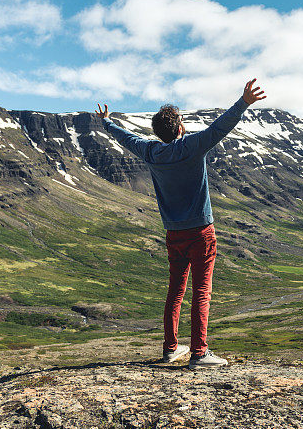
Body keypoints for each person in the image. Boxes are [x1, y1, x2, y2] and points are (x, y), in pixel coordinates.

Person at [95, 79, 266, 369]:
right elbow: (219, 128)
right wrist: (243, 102)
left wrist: (107, 123)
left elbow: (126, 138)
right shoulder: (192, 146)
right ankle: (199, 353)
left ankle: (170, 349)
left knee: (175, 291)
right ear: (180, 127)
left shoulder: (150, 151)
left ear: (158, 132)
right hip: (201, 233)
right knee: (201, 291)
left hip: (173, 234)